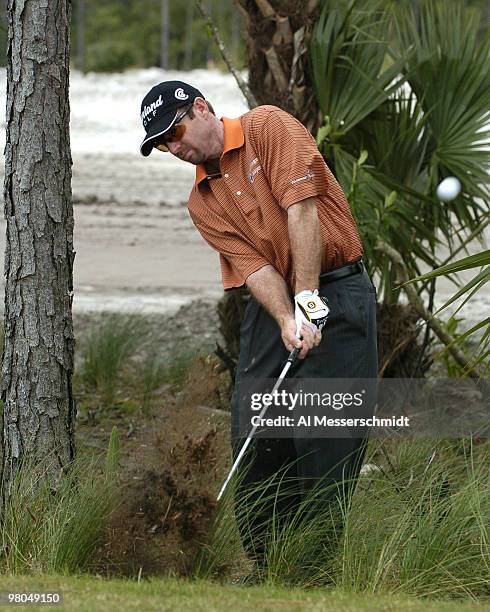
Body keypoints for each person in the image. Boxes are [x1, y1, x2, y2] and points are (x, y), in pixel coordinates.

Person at [140, 81, 378, 563]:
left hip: (337, 285)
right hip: (275, 305)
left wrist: (309, 296)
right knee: (256, 427)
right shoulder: (202, 202)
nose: (175, 147)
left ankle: (316, 563)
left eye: (176, 131)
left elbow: (302, 210)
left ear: (201, 108)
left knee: (323, 429)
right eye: (164, 144)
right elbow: (255, 268)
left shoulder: (268, 126)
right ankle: (268, 559)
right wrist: (289, 317)